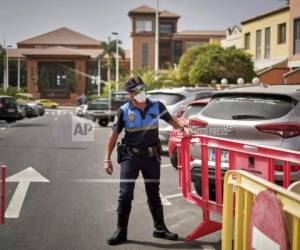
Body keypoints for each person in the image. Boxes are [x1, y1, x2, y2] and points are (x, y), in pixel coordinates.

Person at [104, 77, 186, 245]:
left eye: (142, 88)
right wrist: (107, 159)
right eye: (136, 90)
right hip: (130, 158)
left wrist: (184, 129)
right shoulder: (124, 110)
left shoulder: (157, 105)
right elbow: (113, 135)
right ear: (130, 94)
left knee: (153, 193)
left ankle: (160, 229)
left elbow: (172, 121)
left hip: (152, 157)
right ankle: (121, 231)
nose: (140, 92)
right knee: (125, 194)